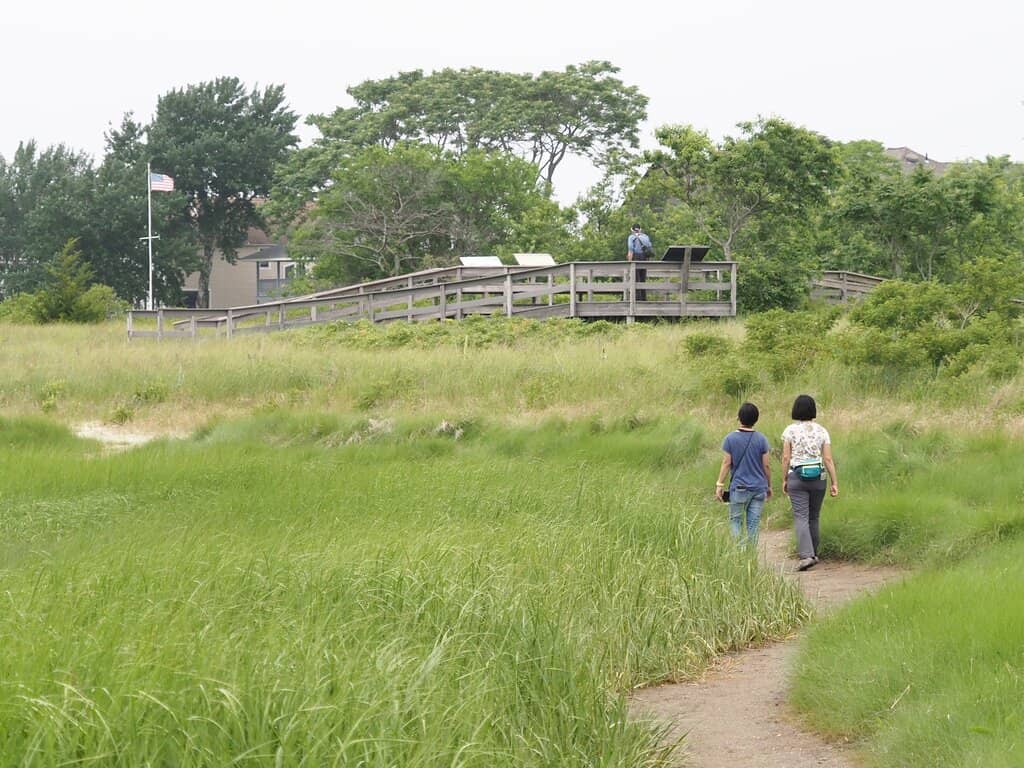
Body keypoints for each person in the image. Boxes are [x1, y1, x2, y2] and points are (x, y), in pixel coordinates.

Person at [781, 394, 839, 571]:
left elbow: (785, 457)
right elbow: (827, 458)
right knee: (814, 516)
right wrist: (834, 482)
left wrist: (784, 478)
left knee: (801, 516)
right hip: (819, 478)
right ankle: (814, 553)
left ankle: (806, 556)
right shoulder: (822, 431)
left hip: (797, 477)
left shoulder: (790, 431)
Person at [715, 402, 772, 546]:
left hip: (739, 488)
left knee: (736, 521)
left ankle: (739, 558)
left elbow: (727, 463)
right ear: (756, 419)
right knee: (753, 525)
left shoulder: (730, 439)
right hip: (759, 488)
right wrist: (769, 486)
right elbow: (766, 465)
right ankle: (751, 560)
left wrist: (720, 484)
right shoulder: (762, 439)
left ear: (739, 418)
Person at [627, 224, 653, 301]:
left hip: (636, 257)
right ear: (640, 229)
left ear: (632, 230)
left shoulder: (631, 237)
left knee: (635, 279)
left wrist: (629, 262)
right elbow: (649, 247)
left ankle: (637, 299)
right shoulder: (646, 237)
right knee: (642, 278)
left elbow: (631, 249)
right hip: (644, 258)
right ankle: (643, 298)